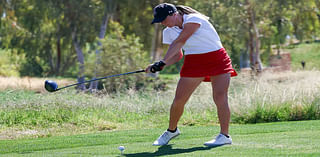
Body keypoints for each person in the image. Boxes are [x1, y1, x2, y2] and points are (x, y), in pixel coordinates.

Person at [145, 3, 237, 147]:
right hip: (194, 62)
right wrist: (159, 65)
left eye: (163, 19)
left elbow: (181, 40)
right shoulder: (168, 31)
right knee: (179, 100)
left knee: (220, 97)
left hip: (217, 58)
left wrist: (162, 62)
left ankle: (224, 136)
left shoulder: (194, 19)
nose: (162, 23)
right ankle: (171, 131)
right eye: (160, 21)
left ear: (173, 14)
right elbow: (177, 55)